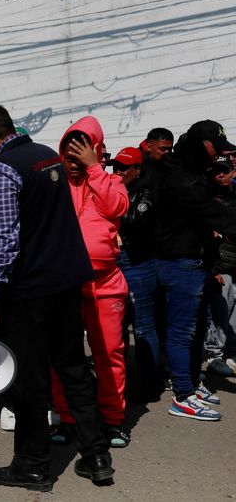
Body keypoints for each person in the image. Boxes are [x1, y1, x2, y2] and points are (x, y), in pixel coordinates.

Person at [0, 103, 112, 492]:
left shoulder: (2, 168)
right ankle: (97, 456)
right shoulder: (46, 156)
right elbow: (20, 205)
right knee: (74, 371)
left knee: (30, 381)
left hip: (29, 292)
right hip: (66, 283)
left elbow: (5, 238)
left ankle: (32, 466)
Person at [54, 117, 130, 448]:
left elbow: (116, 208)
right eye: (69, 157)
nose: (74, 165)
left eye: (80, 157)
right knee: (63, 356)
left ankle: (113, 420)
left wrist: (94, 169)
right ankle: (68, 418)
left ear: (96, 152)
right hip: (66, 286)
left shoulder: (110, 182)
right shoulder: (54, 184)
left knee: (109, 354)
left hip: (106, 285)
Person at [155, 120, 236, 421]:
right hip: (180, 263)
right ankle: (183, 396)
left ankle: (192, 382)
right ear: (199, 144)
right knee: (181, 333)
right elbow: (217, 215)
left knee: (197, 330)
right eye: (217, 149)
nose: (222, 157)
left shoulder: (189, 172)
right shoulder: (182, 179)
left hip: (197, 261)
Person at [112, 147, 166, 400]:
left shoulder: (147, 191)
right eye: (115, 167)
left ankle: (150, 383)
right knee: (117, 326)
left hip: (138, 263)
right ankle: (121, 380)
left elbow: (133, 219)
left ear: (137, 169)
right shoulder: (114, 188)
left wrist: (111, 201)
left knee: (143, 326)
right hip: (114, 262)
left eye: (124, 168)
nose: (118, 172)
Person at [204, 157, 236, 377]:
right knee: (221, 306)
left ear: (233, 172)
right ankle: (214, 354)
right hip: (220, 261)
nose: (221, 175)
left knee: (234, 308)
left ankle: (232, 351)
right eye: (217, 172)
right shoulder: (206, 196)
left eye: (224, 171)